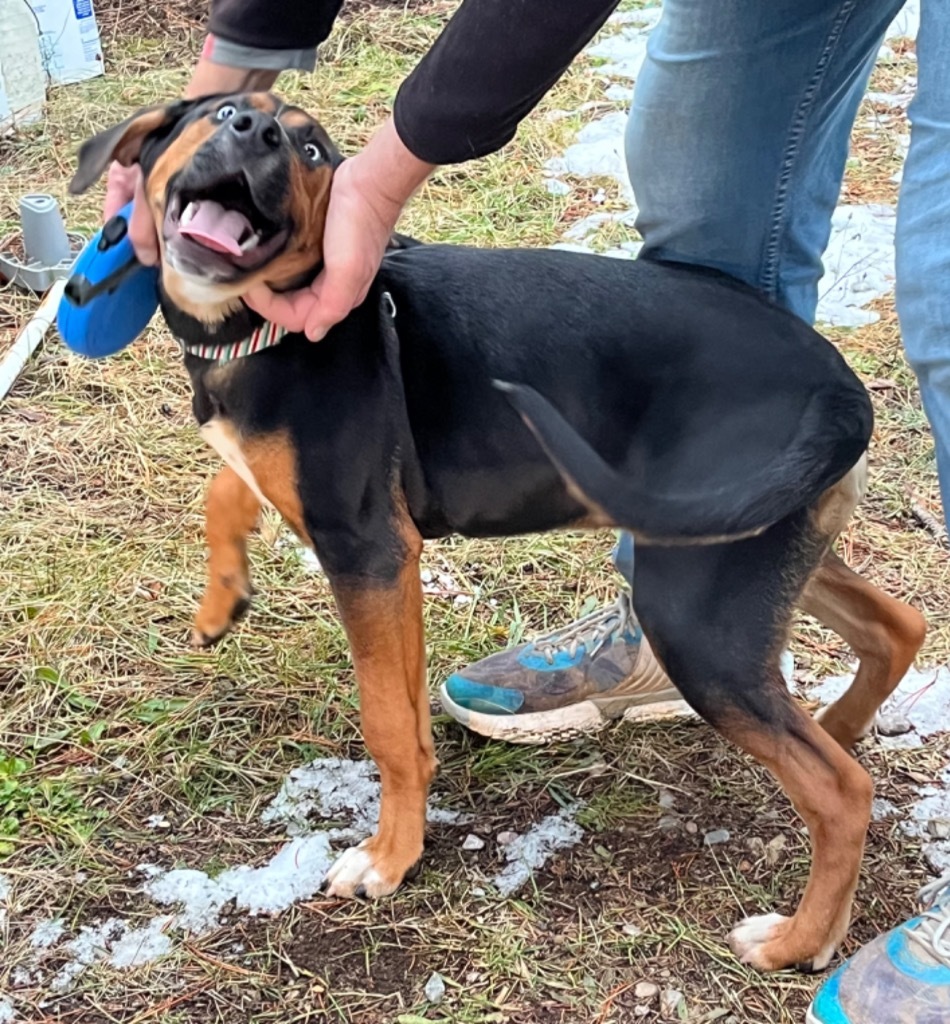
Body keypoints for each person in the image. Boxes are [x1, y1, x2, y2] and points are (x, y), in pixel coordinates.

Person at [104, 1, 950, 1017]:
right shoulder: (249, 358)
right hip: (734, 397)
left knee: (711, 625)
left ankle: (826, 798)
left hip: (748, 410)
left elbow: (376, 558)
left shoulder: (331, 339)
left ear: (333, 215)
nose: (252, 136)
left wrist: (399, 786)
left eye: (304, 147)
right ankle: (860, 633)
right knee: (697, 202)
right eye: (216, 129)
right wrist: (214, 93)